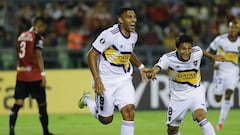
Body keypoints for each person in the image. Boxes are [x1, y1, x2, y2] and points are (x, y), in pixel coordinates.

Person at [78, 7, 148, 135]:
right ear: (120, 20)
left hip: (124, 79)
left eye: (134, 17)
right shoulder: (110, 34)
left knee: (129, 111)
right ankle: (88, 99)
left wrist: (141, 66)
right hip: (105, 80)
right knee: (106, 119)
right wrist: (97, 80)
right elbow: (91, 55)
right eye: (129, 17)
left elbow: (128, 52)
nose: (133, 20)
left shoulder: (134, 36)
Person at [146, 34, 224, 135]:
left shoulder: (196, 52)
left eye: (189, 48)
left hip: (196, 91)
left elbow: (201, 52)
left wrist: (213, 57)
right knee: (172, 130)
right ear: (177, 49)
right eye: (183, 49)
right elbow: (157, 67)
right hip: (178, 97)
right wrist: (152, 72)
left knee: (200, 116)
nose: (187, 52)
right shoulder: (168, 58)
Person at [9, 16, 53, 135]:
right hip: (34, 75)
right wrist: (43, 74)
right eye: (44, 27)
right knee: (42, 104)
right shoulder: (37, 36)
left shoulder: (21, 35)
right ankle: (46, 132)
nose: (44, 30)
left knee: (18, 102)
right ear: (40, 26)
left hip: (21, 74)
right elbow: (38, 54)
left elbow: (18, 52)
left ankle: (11, 129)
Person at [206, 20, 240, 131]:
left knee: (229, 93)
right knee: (217, 99)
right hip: (220, 70)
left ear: (238, 30)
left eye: (235, 28)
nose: (233, 30)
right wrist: (213, 64)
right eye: (231, 27)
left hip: (233, 71)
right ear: (228, 28)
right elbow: (209, 51)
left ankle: (220, 122)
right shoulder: (220, 39)